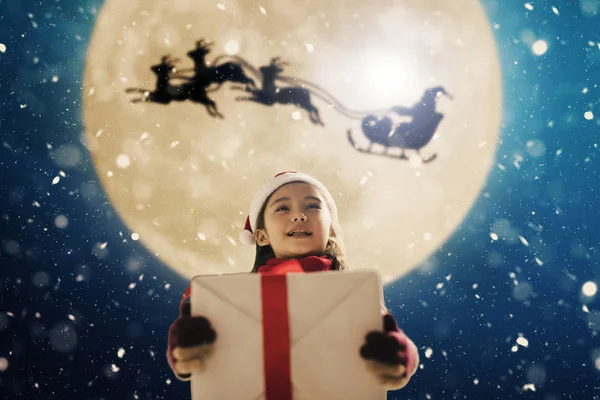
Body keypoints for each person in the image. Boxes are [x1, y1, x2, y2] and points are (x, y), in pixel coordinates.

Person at [166, 171, 419, 390]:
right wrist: (184, 347)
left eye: (313, 206)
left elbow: (399, 347)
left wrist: (397, 357)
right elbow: (194, 356)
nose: (299, 215)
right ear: (261, 236)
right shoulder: (223, 299)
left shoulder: (357, 295)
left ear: (331, 229)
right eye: (282, 208)